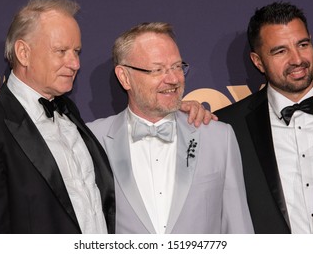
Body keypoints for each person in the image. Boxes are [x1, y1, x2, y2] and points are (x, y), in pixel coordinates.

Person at [0, 0, 213, 234]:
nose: (75, 63)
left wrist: (170, 104)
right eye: (61, 51)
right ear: (24, 53)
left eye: (76, 52)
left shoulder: (70, 114)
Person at [87, 22, 254, 234]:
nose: (174, 79)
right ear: (124, 77)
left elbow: (238, 227)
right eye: (158, 70)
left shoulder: (219, 138)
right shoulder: (92, 140)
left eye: (177, 66)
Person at [214, 1, 313, 234]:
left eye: (302, 44)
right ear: (257, 61)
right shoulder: (227, 126)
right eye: (280, 51)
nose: (297, 59)